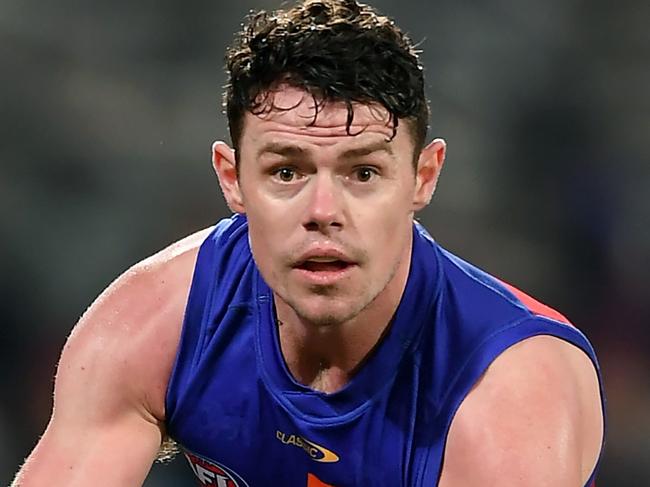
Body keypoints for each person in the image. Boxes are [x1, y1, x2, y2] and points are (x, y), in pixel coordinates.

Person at [13, 1, 605, 486]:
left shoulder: (509, 392)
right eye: (287, 172)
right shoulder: (152, 323)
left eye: (364, 173)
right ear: (232, 178)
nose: (323, 213)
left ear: (423, 178)